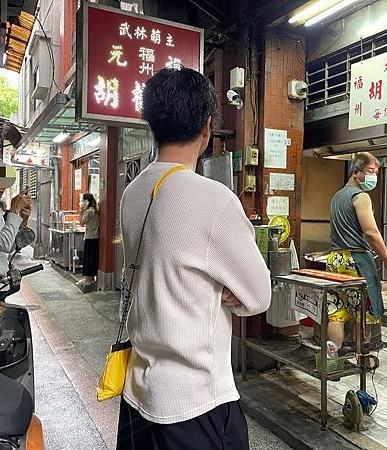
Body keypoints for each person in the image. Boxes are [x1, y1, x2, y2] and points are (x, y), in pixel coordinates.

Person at [117, 68, 271, 449]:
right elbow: (258, 295)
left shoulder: (132, 193)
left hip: (138, 392)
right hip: (195, 402)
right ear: (206, 128)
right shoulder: (213, 199)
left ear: (151, 122)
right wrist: (222, 288)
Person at [325, 152, 387, 351]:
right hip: (356, 261)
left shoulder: (337, 196)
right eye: (370, 171)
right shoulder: (361, 196)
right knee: (364, 313)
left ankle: (331, 361)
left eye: (376, 172)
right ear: (356, 172)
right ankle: (363, 358)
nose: (374, 176)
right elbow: (371, 232)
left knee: (337, 312)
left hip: (335, 259)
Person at [77, 192, 99, 288]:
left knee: (88, 258)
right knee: (91, 258)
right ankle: (90, 278)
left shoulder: (89, 211)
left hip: (90, 237)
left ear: (87, 201)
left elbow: (82, 222)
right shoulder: (94, 210)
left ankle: (88, 280)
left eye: (83, 200)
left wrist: (81, 211)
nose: (82, 202)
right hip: (94, 236)